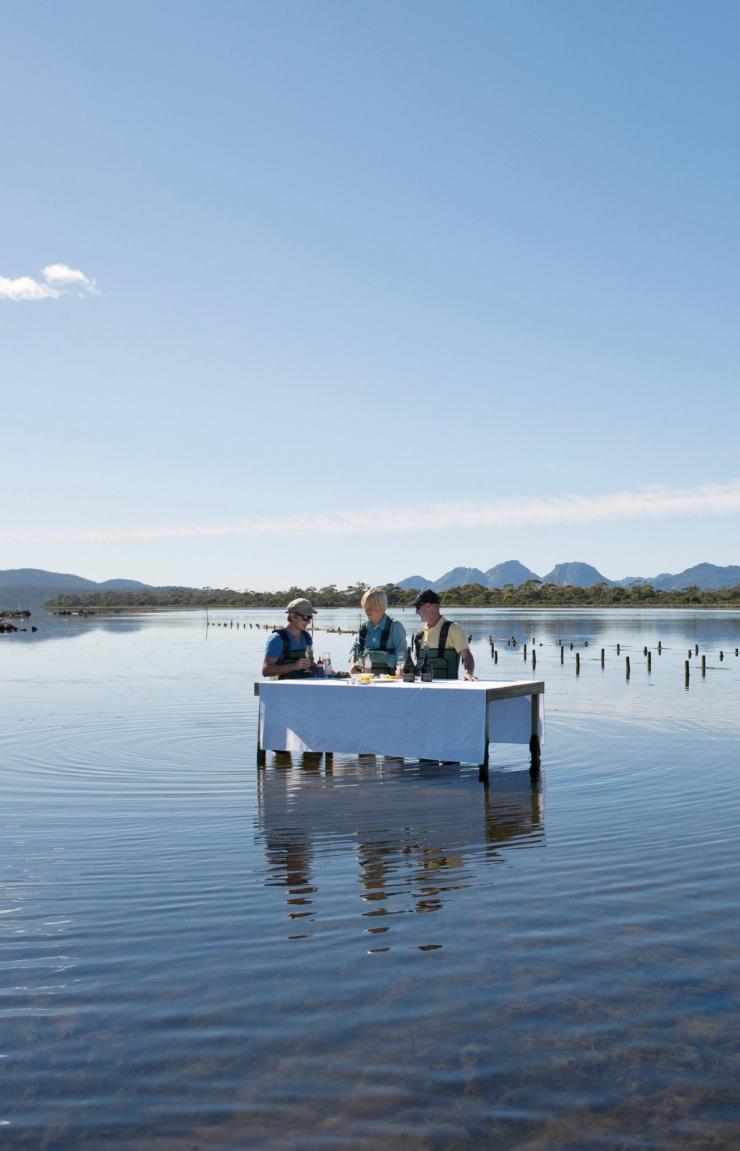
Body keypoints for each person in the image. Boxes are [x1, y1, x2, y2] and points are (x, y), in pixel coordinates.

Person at [412, 589, 476, 680]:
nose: (416, 612)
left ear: (428, 606)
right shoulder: (420, 633)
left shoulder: (453, 629)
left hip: (447, 691)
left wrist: (468, 672)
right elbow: (418, 665)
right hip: (422, 691)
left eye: (417, 607)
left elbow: (467, 656)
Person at [350, 587, 407, 673]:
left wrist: (399, 670)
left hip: (390, 680)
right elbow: (355, 650)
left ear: (382, 607)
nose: (367, 611)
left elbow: (402, 655)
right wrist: (353, 665)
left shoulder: (395, 627)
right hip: (365, 679)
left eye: (371, 607)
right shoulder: (363, 628)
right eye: (365, 607)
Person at [262, 598, 317, 678]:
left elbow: (310, 663)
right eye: (305, 617)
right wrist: (294, 666)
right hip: (282, 689)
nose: (309, 621)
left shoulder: (307, 637)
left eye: (310, 617)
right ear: (293, 616)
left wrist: (322, 668)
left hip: (306, 688)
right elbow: (266, 671)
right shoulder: (277, 639)